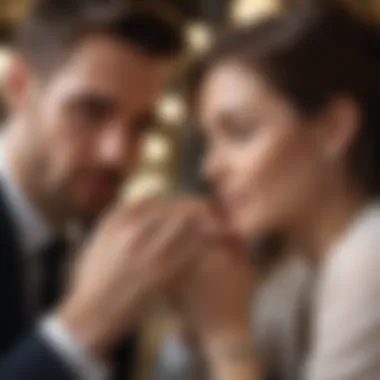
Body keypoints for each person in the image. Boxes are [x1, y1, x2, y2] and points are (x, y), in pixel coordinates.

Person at [0, 0, 225, 379]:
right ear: (19, 87)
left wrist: (186, 336)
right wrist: (81, 330)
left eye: (140, 127)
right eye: (91, 111)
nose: (119, 155)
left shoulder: (99, 239)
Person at [155, 2, 380, 380]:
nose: (211, 168)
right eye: (210, 140)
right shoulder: (291, 277)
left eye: (239, 133)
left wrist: (227, 338)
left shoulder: (369, 257)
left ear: (333, 128)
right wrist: (193, 328)